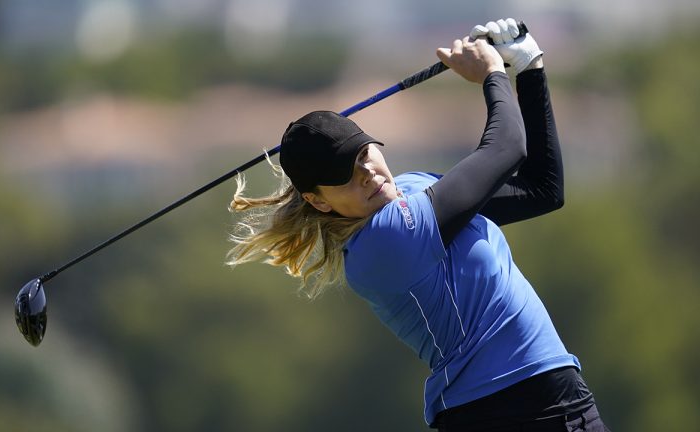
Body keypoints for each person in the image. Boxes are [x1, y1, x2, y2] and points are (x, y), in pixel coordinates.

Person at [227, 18, 610, 432]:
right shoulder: (383, 242)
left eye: (363, 154)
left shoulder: (414, 189)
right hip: (510, 410)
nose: (368, 174)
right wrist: (492, 74)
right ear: (318, 200)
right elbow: (506, 147)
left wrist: (530, 67)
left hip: (549, 398)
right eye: (344, 175)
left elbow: (541, 190)